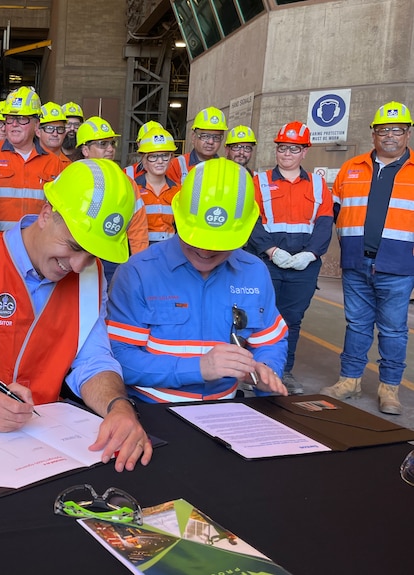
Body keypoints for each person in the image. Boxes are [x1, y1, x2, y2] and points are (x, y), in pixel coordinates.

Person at [0, 159, 152, 472]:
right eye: (74, 246)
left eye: (93, 254)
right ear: (47, 214)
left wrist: (119, 407)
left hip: (38, 439)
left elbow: (93, 361)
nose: (77, 266)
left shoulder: (92, 276)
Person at [107, 158, 288, 403]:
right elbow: (119, 359)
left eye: (219, 245)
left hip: (226, 409)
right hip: (151, 409)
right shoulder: (138, 273)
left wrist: (266, 369)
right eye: (197, 240)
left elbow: (270, 340)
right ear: (178, 220)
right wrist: (198, 368)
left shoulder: (254, 272)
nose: (205, 251)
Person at [321, 101, 414, 415]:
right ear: (373, 133)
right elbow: (331, 211)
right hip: (356, 262)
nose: (389, 136)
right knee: (357, 325)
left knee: (393, 330)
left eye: (397, 130)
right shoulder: (352, 167)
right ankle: (350, 381)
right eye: (383, 130)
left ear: (407, 134)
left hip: (399, 265)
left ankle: (389, 389)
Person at [246, 122, 332, 395]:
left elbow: (325, 222)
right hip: (268, 261)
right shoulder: (259, 182)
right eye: (283, 148)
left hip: (303, 265)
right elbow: (251, 221)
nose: (287, 154)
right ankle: (255, 371)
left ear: (304, 152)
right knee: (261, 317)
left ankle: (284, 370)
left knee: (292, 320)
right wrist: (271, 251)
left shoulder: (318, 184)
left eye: (294, 149)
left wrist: (310, 254)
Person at [0, 86, 61, 233]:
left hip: (34, 248)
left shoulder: (54, 163)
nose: (14, 124)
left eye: (22, 119)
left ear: (37, 125)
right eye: (10, 119)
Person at [77, 116, 149, 279]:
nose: (110, 149)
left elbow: (137, 227)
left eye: (112, 143)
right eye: (103, 144)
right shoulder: (74, 178)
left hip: (113, 260)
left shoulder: (126, 183)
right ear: (85, 150)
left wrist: (141, 266)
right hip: (76, 255)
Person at [134, 126, 180, 244]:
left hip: (170, 249)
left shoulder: (178, 190)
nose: (160, 161)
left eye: (164, 155)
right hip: (142, 249)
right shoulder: (134, 189)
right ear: (144, 160)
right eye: (153, 156)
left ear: (171, 158)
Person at [167, 106, 227, 184]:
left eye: (216, 137)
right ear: (194, 137)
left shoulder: (226, 168)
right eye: (205, 136)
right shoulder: (176, 165)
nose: (211, 141)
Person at [36, 101, 71, 171]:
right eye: (49, 128)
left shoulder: (69, 167)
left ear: (64, 133)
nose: (55, 134)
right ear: (38, 132)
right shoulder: (28, 160)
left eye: (60, 129)